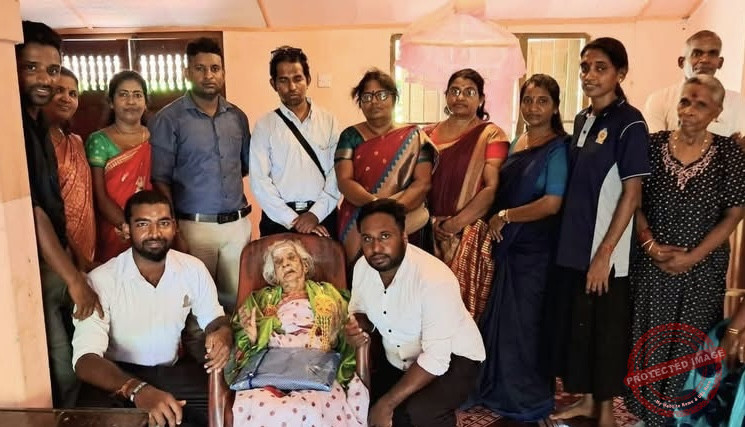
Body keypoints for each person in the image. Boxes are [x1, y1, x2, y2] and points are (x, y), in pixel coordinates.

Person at [625, 75, 745, 426]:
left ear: (717, 112)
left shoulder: (729, 153)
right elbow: (633, 199)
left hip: (702, 270)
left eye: (701, 104)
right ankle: (647, 416)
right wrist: (649, 244)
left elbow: (734, 213)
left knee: (690, 347)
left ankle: (678, 420)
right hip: (652, 265)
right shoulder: (651, 145)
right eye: (685, 101)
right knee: (648, 340)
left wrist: (693, 256)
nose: (689, 110)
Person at [550, 37, 650, 427]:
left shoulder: (631, 123)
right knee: (581, 330)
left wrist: (605, 253)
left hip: (607, 254)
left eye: (600, 68)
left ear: (620, 73)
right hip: (575, 246)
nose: (590, 75)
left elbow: (632, 193)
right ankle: (588, 402)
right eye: (585, 67)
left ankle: (606, 412)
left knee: (606, 333)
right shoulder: (582, 119)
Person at [72, 190, 232, 427]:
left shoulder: (192, 269)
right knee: (91, 419)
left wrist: (223, 334)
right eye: (143, 224)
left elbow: (215, 320)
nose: (155, 233)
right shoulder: (102, 280)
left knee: (226, 409)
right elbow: (85, 361)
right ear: (127, 229)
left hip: (171, 374)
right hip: (118, 377)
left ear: (175, 227)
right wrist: (138, 390)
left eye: (163, 223)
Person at [467, 74, 569, 421]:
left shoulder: (558, 148)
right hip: (507, 247)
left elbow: (552, 202)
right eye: (528, 100)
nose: (534, 107)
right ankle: (496, 385)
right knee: (500, 319)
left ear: (555, 107)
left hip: (535, 251)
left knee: (526, 323)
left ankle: (525, 395)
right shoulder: (517, 141)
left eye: (542, 101)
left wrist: (506, 216)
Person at [17, 20, 102, 408]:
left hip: (61, 258)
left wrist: (76, 260)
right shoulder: (15, 127)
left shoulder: (39, 128)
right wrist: (73, 278)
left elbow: (54, 207)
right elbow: (33, 210)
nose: (44, 79)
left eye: (52, 70)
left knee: (76, 350)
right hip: (37, 266)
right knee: (60, 369)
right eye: (31, 67)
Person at [345, 199, 485, 427]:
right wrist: (356, 327)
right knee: (361, 404)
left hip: (454, 358)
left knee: (416, 414)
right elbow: (360, 312)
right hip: (399, 357)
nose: (375, 248)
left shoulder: (433, 279)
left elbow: (437, 359)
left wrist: (387, 405)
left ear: (404, 237)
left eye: (385, 236)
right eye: (367, 238)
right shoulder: (363, 268)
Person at [150, 37, 251, 313]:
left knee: (238, 301)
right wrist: (175, 228)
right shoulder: (169, 119)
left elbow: (243, 166)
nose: (208, 75)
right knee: (196, 303)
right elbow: (160, 179)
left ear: (223, 73)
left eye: (215, 69)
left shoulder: (237, 117)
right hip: (193, 228)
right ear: (187, 72)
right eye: (200, 68)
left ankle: (234, 342)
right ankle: (201, 345)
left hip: (236, 227)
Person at [224, 239, 369, 426]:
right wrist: (253, 338)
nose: (285, 264)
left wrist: (334, 336)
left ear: (305, 265)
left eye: (291, 257)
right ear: (274, 276)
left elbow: (347, 330)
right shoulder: (261, 299)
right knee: (264, 406)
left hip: (317, 367)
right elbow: (241, 344)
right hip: (271, 370)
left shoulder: (328, 293)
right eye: (278, 262)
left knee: (314, 407)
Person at [423, 68, 509, 320]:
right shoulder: (425, 135)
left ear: (481, 99)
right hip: (426, 230)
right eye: (455, 91)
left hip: (467, 232)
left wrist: (455, 225)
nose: (460, 97)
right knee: (426, 305)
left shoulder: (491, 134)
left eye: (469, 92)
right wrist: (433, 224)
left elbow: (491, 187)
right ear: (446, 95)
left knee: (459, 312)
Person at [335, 69, 436, 262]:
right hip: (357, 219)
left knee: (407, 273)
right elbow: (344, 181)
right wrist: (375, 206)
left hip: (406, 220)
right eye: (367, 97)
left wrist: (393, 213)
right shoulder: (350, 136)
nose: (374, 102)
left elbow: (422, 183)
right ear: (360, 103)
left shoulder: (414, 136)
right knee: (359, 273)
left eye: (381, 95)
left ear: (394, 98)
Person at [250, 46, 340, 239]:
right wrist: (292, 219)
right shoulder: (264, 126)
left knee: (326, 261)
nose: (292, 87)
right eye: (283, 80)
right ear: (273, 84)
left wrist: (315, 214)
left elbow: (337, 172)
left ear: (308, 79)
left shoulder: (329, 121)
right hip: (278, 220)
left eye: (297, 78)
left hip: (323, 217)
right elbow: (259, 181)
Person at [86, 70, 151, 263]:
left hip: (153, 224)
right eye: (123, 95)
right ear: (111, 102)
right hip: (113, 226)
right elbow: (99, 196)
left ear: (145, 102)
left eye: (137, 95)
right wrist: (127, 226)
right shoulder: (99, 141)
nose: (131, 101)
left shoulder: (156, 137)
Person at [644, 30, 745, 144]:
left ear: (720, 62)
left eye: (712, 54)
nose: (705, 60)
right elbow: (654, 145)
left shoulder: (736, 102)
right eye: (697, 54)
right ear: (681, 62)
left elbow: (740, 145)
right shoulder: (659, 99)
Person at [43, 67, 96, 271]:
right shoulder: (38, 145)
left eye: (73, 94)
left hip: (87, 236)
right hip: (58, 243)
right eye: (59, 91)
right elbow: (47, 208)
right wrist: (75, 253)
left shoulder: (76, 141)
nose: (66, 98)